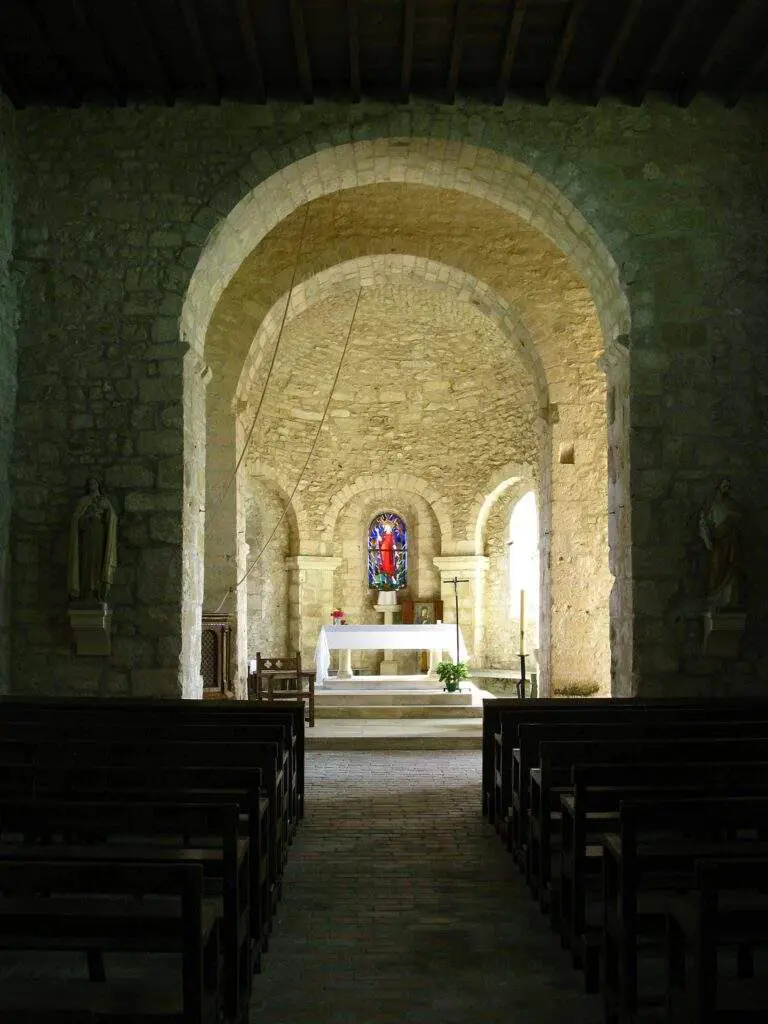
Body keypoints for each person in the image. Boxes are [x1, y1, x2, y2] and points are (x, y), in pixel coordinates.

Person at [67, 476, 118, 602]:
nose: (92, 485)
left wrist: (105, 513)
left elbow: (112, 519)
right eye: (89, 483)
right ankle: (85, 592)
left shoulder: (105, 501)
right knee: (86, 562)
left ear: (98, 484)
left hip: (99, 535)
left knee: (98, 562)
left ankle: (98, 591)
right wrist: (87, 518)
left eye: (94, 482)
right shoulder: (83, 501)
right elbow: (75, 519)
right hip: (87, 536)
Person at [698, 477, 742, 610]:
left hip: (730, 543)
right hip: (718, 543)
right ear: (718, 488)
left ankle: (728, 600)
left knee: (730, 569)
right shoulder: (711, 506)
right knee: (716, 569)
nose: (726, 489)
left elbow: (739, 520)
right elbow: (705, 523)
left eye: (728, 486)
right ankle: (714, 597)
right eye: (724, 486)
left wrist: (732, 517)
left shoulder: (732, 505)